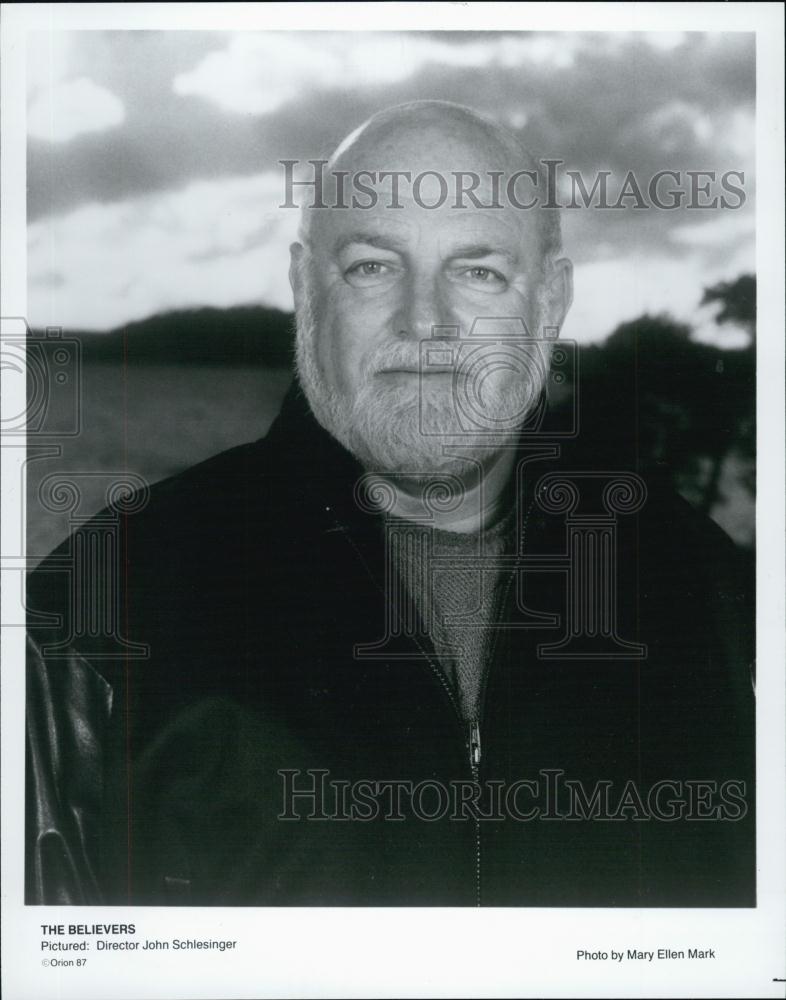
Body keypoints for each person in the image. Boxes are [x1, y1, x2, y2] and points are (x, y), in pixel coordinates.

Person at [25, 101, 755, 907]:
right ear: (306, 287)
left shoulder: (710, 592)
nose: (426, 321)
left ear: (548, 302)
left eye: (478, 272)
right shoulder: (101, 603)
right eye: (373, 267)